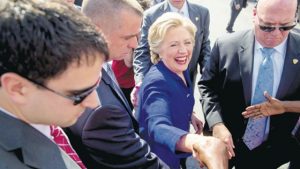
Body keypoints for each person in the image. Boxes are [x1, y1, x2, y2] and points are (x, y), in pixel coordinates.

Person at [0, 0, 108, 168]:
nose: (94, 103)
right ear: (17, 88)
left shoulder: (40, 109)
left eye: (96, 84)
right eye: (78, 95)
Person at [64, 0, 169, 168]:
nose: (135, 44)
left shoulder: (102, 57)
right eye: (127, 37)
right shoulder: (98, 111)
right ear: (97, 32)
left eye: (138, 35)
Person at [198, 0, 300, 168]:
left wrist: (285, 106)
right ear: (254, 14)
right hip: (227, 143)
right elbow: (207, 87)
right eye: (267, 26)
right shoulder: (226, 46)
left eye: (285, 27)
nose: (275, 34)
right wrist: (217, 124)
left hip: (273, 149)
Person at [135, 12, 228, 169]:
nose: (183, 50)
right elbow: (157, 126)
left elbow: (176, 98)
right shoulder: (156, 82)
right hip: (162, 159)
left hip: (178, 153)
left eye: (187, 42)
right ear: (158, 49)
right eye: (173, 44)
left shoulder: (180, 67)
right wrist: (197, 142)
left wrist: (190, 115)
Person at [132, 0, 211, 107]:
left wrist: (211, 78)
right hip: (161, 84)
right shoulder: (151, 15)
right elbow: (142, 52)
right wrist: (141, 82)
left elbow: (204, 47)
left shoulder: (202, 13)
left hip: (187, 84)